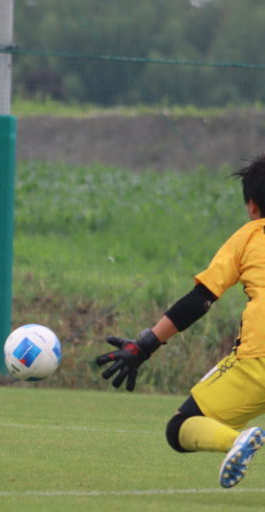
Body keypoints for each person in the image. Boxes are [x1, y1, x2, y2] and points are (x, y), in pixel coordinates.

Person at [95, 154, 265, 489]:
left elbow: (200, 300)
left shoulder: (249, 237)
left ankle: (236, 441)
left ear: (252, 206)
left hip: (259, 359)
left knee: (181, 425)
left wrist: (144, 346)